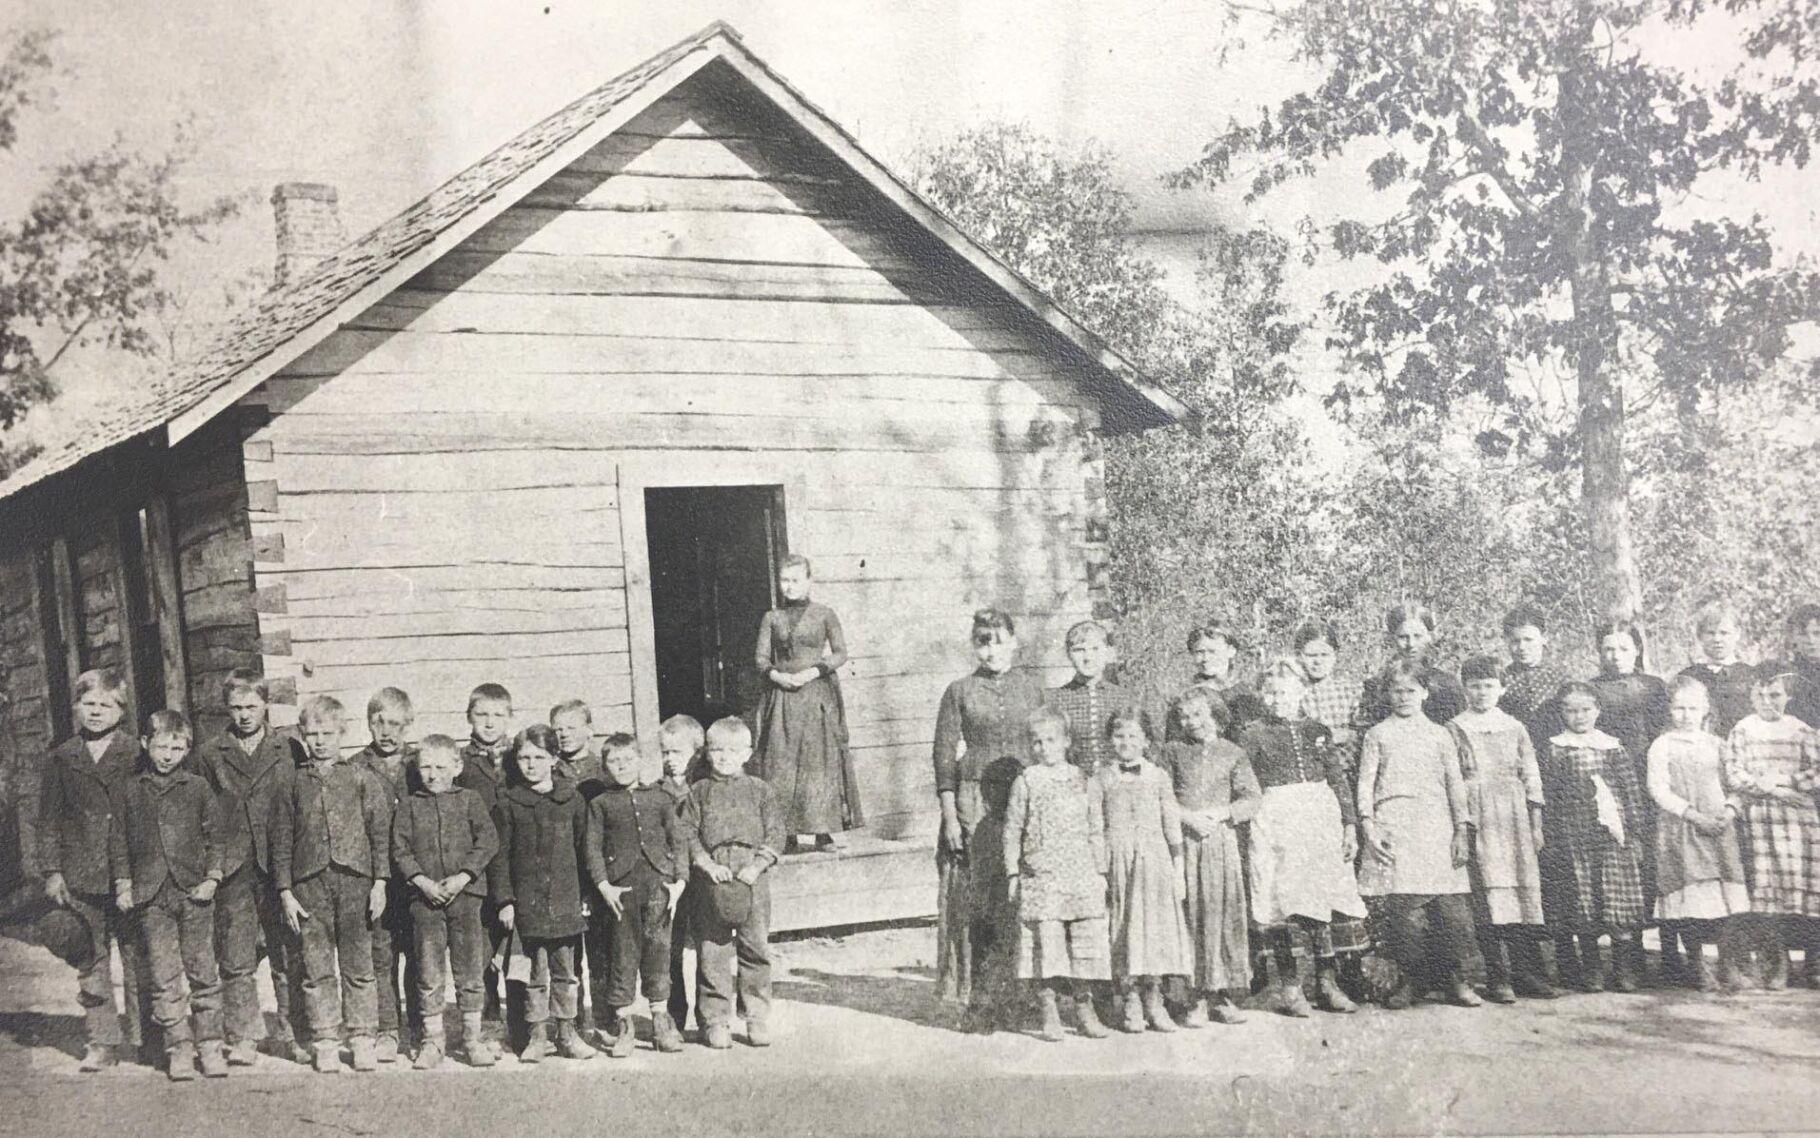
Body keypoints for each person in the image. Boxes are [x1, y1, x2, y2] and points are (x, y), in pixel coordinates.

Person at [930, 608, 1048, 1017]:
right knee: (979, 897)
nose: (991, 650)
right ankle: (979, 997)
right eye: (983, 642)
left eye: (998, 641)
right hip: (974, 801)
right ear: (973, 646)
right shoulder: (959, 691)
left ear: (1014, 642)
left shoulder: (1034, 689)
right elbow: (943, 756)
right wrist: (950, 815)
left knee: (1023, 890)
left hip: (1024, 795)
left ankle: (1025, 993)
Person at [270, 696, 394, 1073]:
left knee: (359, 965)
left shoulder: (361, 778)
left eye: (328, 733)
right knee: (316, 966)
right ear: (303, 735)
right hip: (309, 886)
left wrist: (380, 882)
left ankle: (362, 1037)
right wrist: (285, 891)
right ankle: (325, 1039)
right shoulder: (292, 783)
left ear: (342, 733)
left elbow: (379, 835)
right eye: (313, 734)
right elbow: (281, 840)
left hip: (356, 883)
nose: (320, 741)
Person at [36, 668, 149, 1071]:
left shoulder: (137, 754)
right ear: (76, 708)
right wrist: (52, 871)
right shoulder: (62, 758)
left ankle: (146, 1037)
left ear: (122, 711)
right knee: (91, 957)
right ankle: (102, 1040)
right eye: (88, 704)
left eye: (105, 704)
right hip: (81, 873)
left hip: (131, 871)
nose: (96, 711)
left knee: (138, 955)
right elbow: (48, 819)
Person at [1241, 661, 1368, 1016]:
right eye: (1269, 693)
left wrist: (1349, 825)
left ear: (1301, 692)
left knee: (1324, 898)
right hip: (1277, 820)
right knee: (1284, 901)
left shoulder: (1318, 729)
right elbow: (1247, 784)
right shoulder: (1253, 734)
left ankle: (1327, 983)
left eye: (1283, 692)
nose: (1276, 699)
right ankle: (1291, 987)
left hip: (1320, 818)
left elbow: (1337, 777)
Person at [192, 670, 304, 1065]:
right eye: (236, 707)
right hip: (234, 867)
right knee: (236, 956)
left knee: (287, 953)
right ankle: (243, 1036)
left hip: (280, 865)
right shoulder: (210, 754)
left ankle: (294, 1033)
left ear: (265, 705)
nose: (244, 715)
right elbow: (202, 813)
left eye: (252, 706)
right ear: (226, 707)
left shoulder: (288, 748)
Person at [110, 710, 226, 1080]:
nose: (168, 755)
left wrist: (212, 878)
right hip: (151, 898)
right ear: (146, 744)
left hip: (194, 893)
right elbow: (118, 842)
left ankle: (211, 1045)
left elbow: (216, 838)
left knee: (203, 972)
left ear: (188, 749)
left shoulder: (197, 787)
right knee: (164, 976)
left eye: (177, 748)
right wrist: (124, 884)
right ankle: (179, 1047)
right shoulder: (130, 790)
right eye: (161, 746)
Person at [1359, 661, 1480, 1010]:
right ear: (1387, 694)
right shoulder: (1377, 734)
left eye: (1411, 691)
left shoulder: (1440, 734)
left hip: (1436, 825)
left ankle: (1456, 980)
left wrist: (1461, 829)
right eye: (1397, 691)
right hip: (1395, 824)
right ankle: (1412, 980)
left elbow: (1455, 785)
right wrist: (1369, 825)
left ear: (1425, 693)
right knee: (1404, 911)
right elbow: (1365, 783)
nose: (1404, 697)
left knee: (1450, 910)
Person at [490, 723, 597, 1062]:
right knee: (534, 976)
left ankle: (567, 1033)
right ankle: (537, 1036)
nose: (531, 765)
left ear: (554, 758)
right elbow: (499, 857)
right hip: (527, 907)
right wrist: (505, 901)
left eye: (539, 757)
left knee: (566, 973)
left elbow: (584, 850)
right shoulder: (508, 803)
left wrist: (586, 895)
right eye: (524, 758)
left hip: (565, 901)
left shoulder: (572, 800)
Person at [391, 734, 498, 1069]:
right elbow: (400, 850)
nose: (433, 774)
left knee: (470, 970)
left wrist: (464, 876)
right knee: (429, 971)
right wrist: (422, 882)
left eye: (440, 767)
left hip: (466, 899)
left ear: (457, 766)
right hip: (424, 902)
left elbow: (488, 840)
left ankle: (472, 1039)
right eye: (426, 767)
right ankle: (433, 1040)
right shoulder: (410, 805)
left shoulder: (470, 800)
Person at [1003, 710, 1111, 1041]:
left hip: (1080, 873)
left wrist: (1101, 870)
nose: (1044, 748)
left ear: (1066, 742)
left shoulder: (1083, 780)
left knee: (1085, 944)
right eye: (1037, 742)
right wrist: (1012, 873)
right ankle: (1048, 1009)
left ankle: (1084, 1008)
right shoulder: (1026, 781)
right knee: (1046, 945)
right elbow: (1012, 829)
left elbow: (1096, 828)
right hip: (1043, 876)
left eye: (1051, 740)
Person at [682, 717, 786, 1049]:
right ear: (707, 753)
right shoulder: (698, 792)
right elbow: (688, 834)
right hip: (712, 878)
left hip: (752, 877)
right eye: (717, 750)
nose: (724, 757)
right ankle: (715, 1019)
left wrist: (757, 865)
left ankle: (756, 1016)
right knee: (712, 950)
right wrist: (707, 864)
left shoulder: (760, 790)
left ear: (747, 753)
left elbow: (776, 833)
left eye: (732, 750)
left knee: (755, 947)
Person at [1450, 657, 1550, 1002]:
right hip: (1477, 813)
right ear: (1465, 689)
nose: (1482, 693)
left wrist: (1536, 823)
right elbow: (1453, 778)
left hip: (1513, 815)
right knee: (1487, 894)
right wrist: (1461, 822)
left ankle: (1524, 971)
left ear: (1502, 689)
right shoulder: (1455, 727)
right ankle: (1497, 975)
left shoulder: (1515, 727)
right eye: (1475, 686)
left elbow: (1531, 774)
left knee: (1517, 891)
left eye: (1489, 686)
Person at [1538, 682, 1648, 993]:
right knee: (1583, 897)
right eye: (1571, 711)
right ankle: (1593, 968)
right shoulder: (1556, 748)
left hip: (1612, 835)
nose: (1579, 716)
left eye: (1586, 710)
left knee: (1616, 897)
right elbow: (1550, 794)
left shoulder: (1612, 747)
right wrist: (1551, 835)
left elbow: (1630, 792)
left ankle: (1623, 967)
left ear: (1598, 710)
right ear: (1562, 713)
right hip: (1573, 835)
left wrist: (1634, 833)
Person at [584, 733, 689, 1057]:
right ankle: (624, 1024)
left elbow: (678, 841)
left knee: (659, 952)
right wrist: (604, 885)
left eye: (628, 760)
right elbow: (592, 849)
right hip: (621, 892)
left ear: (641, 762)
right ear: (605, 766)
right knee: (623, 955)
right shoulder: (600, 804)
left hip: (659, 887)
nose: (622, 767)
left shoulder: (660, 798)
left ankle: (660, 1020)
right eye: (614, 762)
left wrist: (680, 881)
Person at [1162, 689, 1259, 1027]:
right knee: (1191, 915)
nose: (1191, 722)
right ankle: (1195, 997)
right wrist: (1187, 818)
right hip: (1183, 843)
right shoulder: (1173, 752)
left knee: (1222, 914)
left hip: (1220, 843)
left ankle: (1222, 995)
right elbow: (1161, 796)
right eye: (1184, 716)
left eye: (1198, 714)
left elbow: (1251, 798)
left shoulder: (1233, 753)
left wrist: (1221, 814)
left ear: (1216, 716)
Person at [1646, 677, 1751, 991]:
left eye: (1692, 708)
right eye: (1679, 708)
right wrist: (1693, 815)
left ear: (1705, 709)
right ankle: (1697, 964)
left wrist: (1729, 812)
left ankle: (1727, 963)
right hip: (1682, 828)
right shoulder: (1663, 744)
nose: (1686, 715)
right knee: (1690, 900)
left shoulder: (1717, 744)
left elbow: (1736, 785)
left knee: (1727, 899)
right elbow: (1658, 789)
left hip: (1719, 828)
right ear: (1669, 710)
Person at [752, 555, 861, 854]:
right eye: (784, 580)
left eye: (795, 580)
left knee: (818, 760)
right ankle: (785, 834)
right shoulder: (772, 618)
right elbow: (760, 658)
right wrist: (778, 676)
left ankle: (822, 832)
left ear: (809, 581)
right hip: (783, 697)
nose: (788, 586)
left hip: (815, 695)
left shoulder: (825, 614)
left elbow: (840, 653)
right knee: (781, 761)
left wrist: (813, 672)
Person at [1291, 620, 1376, 999]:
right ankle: (1322, 972)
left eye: (1324, 654)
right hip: (1313, 794)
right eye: (1310, 655)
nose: (1317, 661)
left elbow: (1363, 732)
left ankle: (1354, 967)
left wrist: (1335, 735)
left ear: (1336, 656)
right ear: (1299, 656)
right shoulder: (1295, 692)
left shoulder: (1351, 690)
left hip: (1350, 784)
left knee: (1349, 878)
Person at [1093, 710, 1191, 1033]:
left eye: (1133, 736)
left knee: (1154, 929)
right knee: (1124, 928)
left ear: (1146, 741)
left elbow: (1172, 823)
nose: (1126, 742)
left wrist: (1178, 868)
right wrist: (1100, 869)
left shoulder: (1158, 776)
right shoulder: (1101, 778)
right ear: (1110, 740)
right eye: (1119, 736)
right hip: (1119, 861)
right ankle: (1130, 999)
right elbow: (1094, 825)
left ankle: (1154, 999)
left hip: (1154, 862)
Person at [1588, 620, 1673, 981]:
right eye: (1608, 649)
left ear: (1637, 649)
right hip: (1610, 784)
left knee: (1656, 862)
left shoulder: (1655, 687)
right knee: (1620, 865)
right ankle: (1629, 954)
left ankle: (1670, 955)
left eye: (1623, 648)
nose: (1615, 655)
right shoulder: (1591, 689)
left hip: (1651, 781)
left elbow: (1666, 733)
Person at [1724, 672, 1820, 989]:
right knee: (1767, 894)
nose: (1767, 702)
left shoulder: (1802, 731)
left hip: (1799, 821)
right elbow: (1734, 773)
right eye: (1760, 696)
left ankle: (1814, 960)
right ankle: (1777, 962)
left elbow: (1816, 771)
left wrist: (1786, 781)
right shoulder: (1742, 730)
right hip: (1760, 819)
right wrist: (1772, 789)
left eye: (1775, 695)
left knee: (1807, 889)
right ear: (1751, 697)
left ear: (1788, 697)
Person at [355, 687, 417, 1063]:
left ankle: (420, 1028)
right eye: (379, 723)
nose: (387, 732)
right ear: (368, 724)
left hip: (415, 877)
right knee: (381, 955)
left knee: (418, 952)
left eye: (395, 724)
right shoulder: (356, 767)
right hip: (376, 878)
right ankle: (388, 1029)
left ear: (408, 724)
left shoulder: (421, 764)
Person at [454, 682, 514, 1028]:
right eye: (482, 715)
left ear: (509, 717)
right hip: (476, 862)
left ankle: (520, 1013)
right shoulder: (460, 762)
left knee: (515, 937)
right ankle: (486, 1011)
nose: (489, 723)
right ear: (469, 717)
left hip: (514, 859)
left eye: (498, 715)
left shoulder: (520, 757)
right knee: (480, 937)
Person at [656, 714, 706, 1039]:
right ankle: (675, 1013)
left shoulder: (701, 790)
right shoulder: (656, 791)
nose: (670, 759)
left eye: (677, 752)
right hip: (671, 877)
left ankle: (707, 1016)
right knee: (670, 947)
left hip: (699, 876)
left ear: (696, 753)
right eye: (665, 752)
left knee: (704, 946)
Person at [969, 755, 1027, 1035]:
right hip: (997, 905)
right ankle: (994, 1009)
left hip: (988, 906)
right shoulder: (998, 829)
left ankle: (988, 1010)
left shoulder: (986, 826)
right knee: (1000, 951)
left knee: (991, 955)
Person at [1050, 620, 1145, 774]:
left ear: (1107, 652)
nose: (1088, 657)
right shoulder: (1056, 700)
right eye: (1079, 650)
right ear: (1068, 654)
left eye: (1095, 649)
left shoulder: (1124, 698)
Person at [1360, 603, 1465, 727]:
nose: (1411, 644)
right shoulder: (1377, 685)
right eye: (1403, 637)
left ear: (1430, 637)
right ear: (1390, 639)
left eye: (1418, 636)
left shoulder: (1447, 685)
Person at [1677, 604, 1760, 739]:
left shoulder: (1752, 676)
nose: (1717, 639)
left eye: (1724, 633)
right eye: (1710, 633)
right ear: (1700, 636)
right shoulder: (1689, 677)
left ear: (1737, 634)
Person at [1498, 605, 1570, 751]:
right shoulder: (1500, 679)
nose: (1522, 647)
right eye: (1515, 641)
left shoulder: (1561, 679)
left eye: (1528, 640)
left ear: (1543, 639)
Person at [1180, 620, 1266, 741]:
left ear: (1231, 651)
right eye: (1199, 652)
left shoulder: (1247, 693)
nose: (1206, 658)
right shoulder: (1188, 697)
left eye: (1212, 651)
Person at [1773, 603, 1820, 729]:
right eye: (1803, 634)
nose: (1811, 640)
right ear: (1792, 637)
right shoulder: (1785, 675)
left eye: (1817, 633)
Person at [550, 699, 604, 790]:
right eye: (558, 729)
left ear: (589, 729)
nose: (564, 734)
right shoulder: (549, 770)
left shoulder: (605, 769)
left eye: (571, 728)